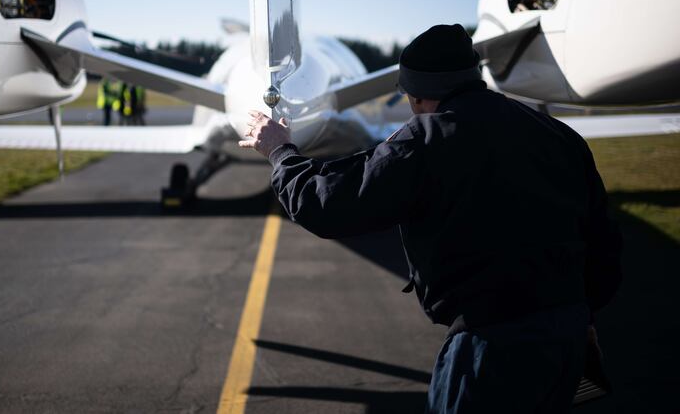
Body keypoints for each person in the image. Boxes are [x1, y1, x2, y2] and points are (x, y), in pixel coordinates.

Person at [238, 24, 622, 413]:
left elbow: (326, 207)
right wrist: (580, 315)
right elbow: (604, 245)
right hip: (568, 338)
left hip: (489, 348)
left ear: (418, 94)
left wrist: (280, 153)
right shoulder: (558, 135)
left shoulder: (423, 142)